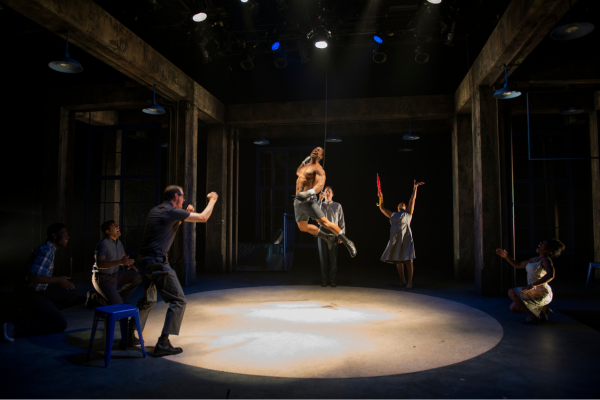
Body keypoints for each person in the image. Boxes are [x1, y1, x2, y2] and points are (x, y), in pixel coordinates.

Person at [135, 185, 218, 356]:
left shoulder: (157, 210)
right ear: (175, 196)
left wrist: (184, 214)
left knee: (148, 299)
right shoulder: (172, 211)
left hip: (144, 262)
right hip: (157, 262)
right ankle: (163, 343)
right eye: (182, 196)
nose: (184, 199)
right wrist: (213, 200)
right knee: (179, 301)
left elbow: (169, 224)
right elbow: (203, 218)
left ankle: (130, 335)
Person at [3, 223, 78, 341]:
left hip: (41, 289)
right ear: (54, 236)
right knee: (60, 324)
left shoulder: (50, 249)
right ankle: (13, 328)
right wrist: (58, 279)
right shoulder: (46, 251)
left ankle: (43, 312)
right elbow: (33, 277)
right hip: (31, 293)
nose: (67, 237)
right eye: (64, 234)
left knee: (70, 293)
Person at [86, 220, 142, 348]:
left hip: (115, 276)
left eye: (117, 225)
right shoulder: (103, 245)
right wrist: (120, 263)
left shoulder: (118, 242)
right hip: (104, 279)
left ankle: (104, 299)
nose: (118, 227)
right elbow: (100, 264)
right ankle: (128, 337)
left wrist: (130, 265)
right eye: (114, 226)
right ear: (107, 231)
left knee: (137, 277)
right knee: (121, 308)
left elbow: (123, 258)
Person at [294, 147, 356, 258]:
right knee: (302, 227)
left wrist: (309, 193)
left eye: (319, 151)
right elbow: (298, 172)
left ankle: (348, 242)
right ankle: (326, 237)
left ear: (321, 157)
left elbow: (320, 185)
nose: (316, 150)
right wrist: (303, 161)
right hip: (298, 201)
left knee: (325, 223)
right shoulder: (305, 166)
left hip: (308, 200)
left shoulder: (319, 169)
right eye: (315, 149)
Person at [496, 239, 564, 324]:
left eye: (544, 244)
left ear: (549, 250)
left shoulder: (546, 260)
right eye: (541, 242)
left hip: (541, 291)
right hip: (531, 289)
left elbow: (551, 275)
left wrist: (533, 285)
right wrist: (506, 256)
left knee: (512, 292)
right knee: (514, 308)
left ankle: (533, 316)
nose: (540, 243)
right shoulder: (534, 259)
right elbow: (518, 265)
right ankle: (542, 309)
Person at [379, 180, 424, 289]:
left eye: (403, 204)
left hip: (406, 238)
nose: (401, 204)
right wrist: (381, 196)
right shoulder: (393, 214)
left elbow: (412, 199)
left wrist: (415, 188)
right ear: (397, 207)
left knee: (408, 259)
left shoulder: (408, 213)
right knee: (398, 259)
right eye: (400, 204)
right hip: (395, 239)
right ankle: (402, 280)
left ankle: (410, 281)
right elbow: (382, 208)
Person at [317, 186, 346, 287]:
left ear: (332, 194)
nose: (327, 193)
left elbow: (341, 221)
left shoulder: (337, 206)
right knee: (323, 257)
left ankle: (332, 279)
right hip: (322, 232)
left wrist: (341, 235)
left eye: (329, 191)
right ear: (323, 194)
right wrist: (319, 200)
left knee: (333, 258)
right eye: (326, 191)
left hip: (333, 231)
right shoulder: (320, 205)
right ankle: (324, 279)